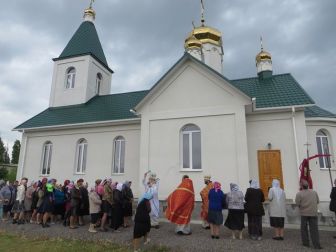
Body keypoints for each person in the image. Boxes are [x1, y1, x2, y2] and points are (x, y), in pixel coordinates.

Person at [295, 179, 322, 249]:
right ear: (308, 185)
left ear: (301, 186)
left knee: (304, 229)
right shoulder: (314, 192)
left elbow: (297, 203)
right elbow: (318, 201)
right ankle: (317, 245)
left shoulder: (299, 193)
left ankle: (306, 243)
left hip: (304, 213)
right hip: (313, 212)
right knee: (314, 229)